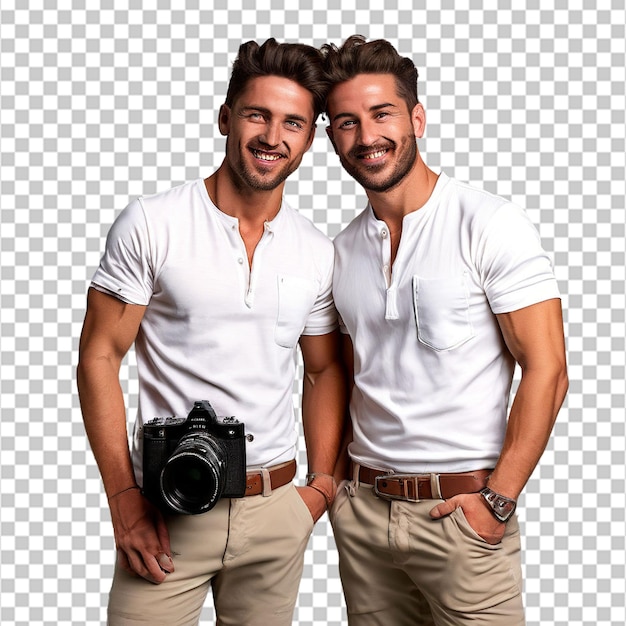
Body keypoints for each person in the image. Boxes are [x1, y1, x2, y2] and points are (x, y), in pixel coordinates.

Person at [77, 38, 345, 626]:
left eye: (293, 123)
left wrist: (320, 487)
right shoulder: (153, 223)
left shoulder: (317, 249)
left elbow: (324, 369)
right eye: (258, 115)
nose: (273, 137)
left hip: (276, 511)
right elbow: (100, 354)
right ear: (226, 117)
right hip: (169, 508)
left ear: (308, 137)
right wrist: (124, 501)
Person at [321, 35, 569, 625]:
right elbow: (344, 375)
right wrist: (332, 487)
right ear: (331, 137)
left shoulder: (489, 223)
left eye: (381, 114)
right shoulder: (341, 250)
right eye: (346, 122)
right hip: (363, 517)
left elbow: (548, 369)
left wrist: (497, 501)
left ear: (417, 117)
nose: (367, 137)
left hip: (461, 518)